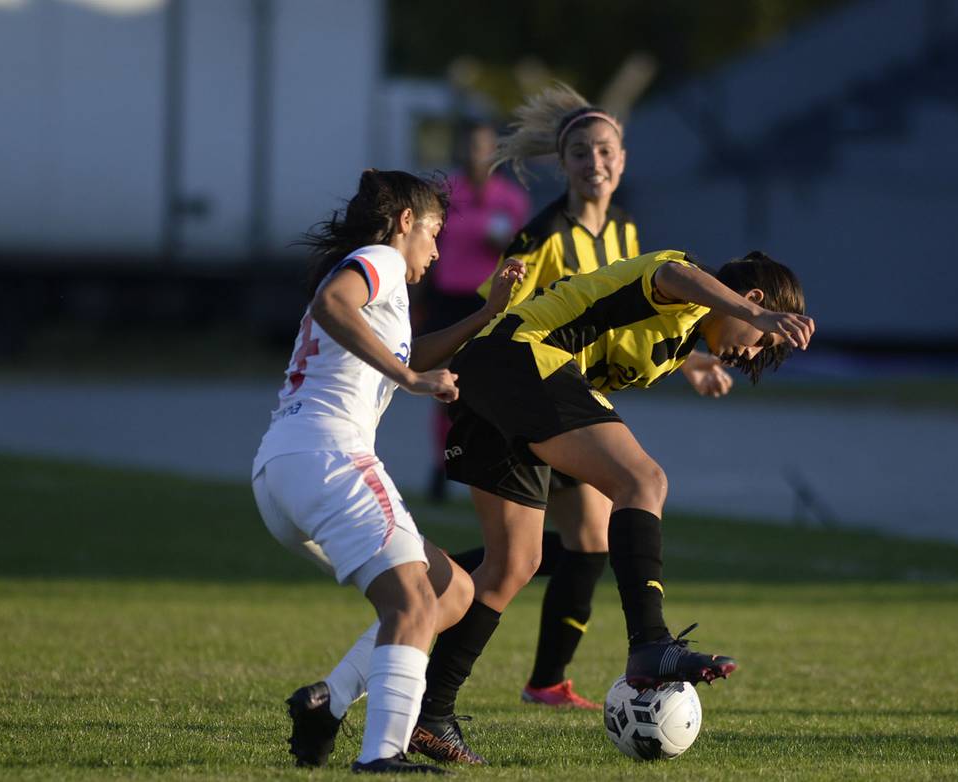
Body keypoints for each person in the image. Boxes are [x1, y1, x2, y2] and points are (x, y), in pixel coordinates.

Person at [408, 249, 814, 764]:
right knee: (643, 480)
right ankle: (650, 642)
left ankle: (430, 714)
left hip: (490, 376)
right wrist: (757, 318)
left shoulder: (684, 334)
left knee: (513, 564)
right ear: (751, 301)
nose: (752, 354)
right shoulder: (683, 280)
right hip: (524, 357)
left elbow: (633, 324)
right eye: (762, 343)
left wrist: (696, 359)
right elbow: (673, 276)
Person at [449, 83, 735, 712]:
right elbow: (495, 322)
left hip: (577, 399)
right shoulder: (542, 236)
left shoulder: (626, 233)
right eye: (580, 153)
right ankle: (457, 596)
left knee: (580, 544)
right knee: (577, 540)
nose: (594, 162)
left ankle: (537, 671)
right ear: (564, 164)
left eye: (604, 150)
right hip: (537, 395)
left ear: (623, 159)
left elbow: (634, 315)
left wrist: (693, 359)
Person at [250, 169, 524, 773]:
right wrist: (411, 381)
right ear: (406, 223)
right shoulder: (377, 258)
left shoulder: (388, 289)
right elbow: (331, 305)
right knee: (414, 607)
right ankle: (383, 757)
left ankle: (330, 700)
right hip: (330, 459)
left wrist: (486, 314)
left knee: (451, 590)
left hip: (288, 470)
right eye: (434, 234)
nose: (437, 249)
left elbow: (408, 351)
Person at [424, 120, 530, 502]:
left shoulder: (511, 198)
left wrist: (502, 246)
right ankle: (442, 462)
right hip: (449, 298)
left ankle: (488, 464)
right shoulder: (447, 192)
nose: (477, 154)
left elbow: (520, 251)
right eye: (471, 146)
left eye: (484, 147)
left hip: (489, 300)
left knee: (487, 386)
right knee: (446, 385)